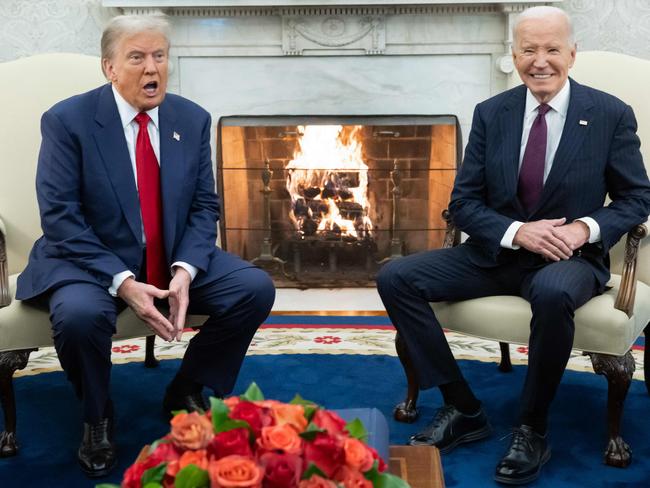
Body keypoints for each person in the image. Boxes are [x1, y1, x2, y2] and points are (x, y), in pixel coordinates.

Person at [377, 6, 650, 485]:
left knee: (551, 292)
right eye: (528, 50)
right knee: (396, 276)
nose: (539, 61)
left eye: (551, 50)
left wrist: (584, 228)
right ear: (514, 54)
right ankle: (464, 407)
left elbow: (636, 197)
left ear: (571, 53)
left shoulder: (609, 114)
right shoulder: (491, 114)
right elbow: (463, 203)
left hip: (569, 260)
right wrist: (516, 232)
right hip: (495, 254)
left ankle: (533, 427)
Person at [16, 14, 275, 478]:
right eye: (136, 57)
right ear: (109, 68)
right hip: (88, 259)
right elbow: (60, 216)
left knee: (253, 287)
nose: (151, 68)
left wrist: (184, 271)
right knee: (78, 317)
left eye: (159, 56)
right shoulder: (67, 121)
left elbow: (203, 204)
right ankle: (97, 415)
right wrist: (123, 281)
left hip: (169, 253)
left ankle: (187, 387)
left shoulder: (191, 119)